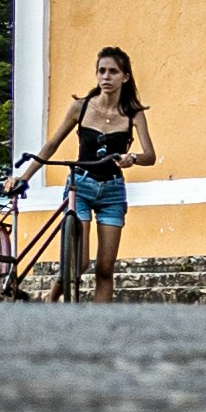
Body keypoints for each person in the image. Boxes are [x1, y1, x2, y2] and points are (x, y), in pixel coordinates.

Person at [45, 42, 152, 296]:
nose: (106, 77)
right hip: (80, 186)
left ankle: (101, 328)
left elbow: (150, 156)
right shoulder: (81, 107)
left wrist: (132, 158)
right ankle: (52, 297)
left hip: (112, 190)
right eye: (101, 71)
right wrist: (23, 177)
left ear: (125, 77)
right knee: (78, 263)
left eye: (113, 71)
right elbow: (52, 144)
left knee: (105, 268)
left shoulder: (133, 113)